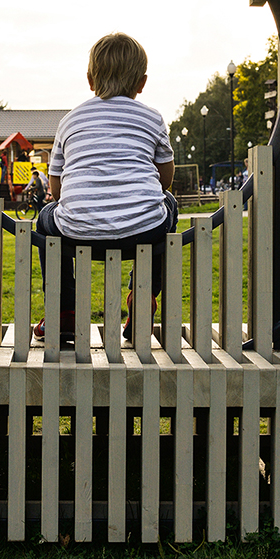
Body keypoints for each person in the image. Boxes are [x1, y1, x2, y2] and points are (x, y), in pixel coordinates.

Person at [34, 32, 177, 342]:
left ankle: (64, 311)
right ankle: (143, 295)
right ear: (142, 83)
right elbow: (165, 180)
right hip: (143, 231)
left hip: (77, 231)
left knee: (45, 217)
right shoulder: (153, 118)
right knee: (168, 205)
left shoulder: (70, 120)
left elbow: (57, 190)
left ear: (90, 79)